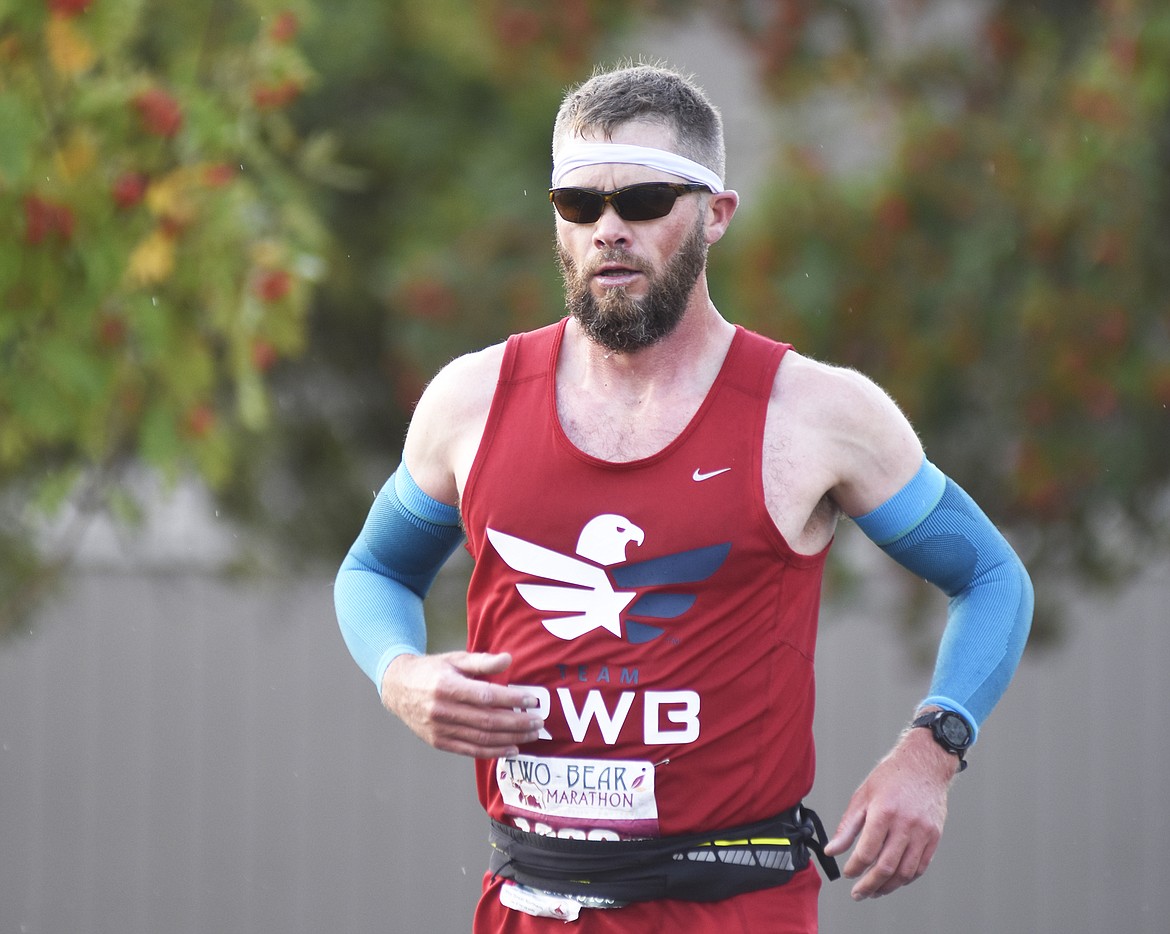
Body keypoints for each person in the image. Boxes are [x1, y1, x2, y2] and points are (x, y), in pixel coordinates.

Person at [334, 62, 1033, 933]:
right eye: (579, 205)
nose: (609, 230)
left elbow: (992, 577)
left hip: (729, 908)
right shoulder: (471, 402)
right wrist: (401, 674)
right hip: (528, 902)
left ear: (715, 215)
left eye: (645, 200)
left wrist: (932, 752)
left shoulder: (816, 414)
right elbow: (373, 571)